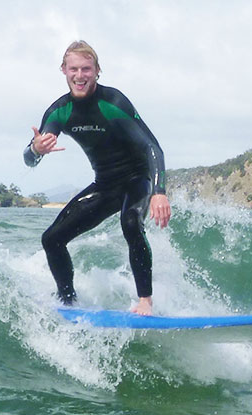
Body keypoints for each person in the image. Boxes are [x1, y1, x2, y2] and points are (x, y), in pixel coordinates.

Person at [23, 40, 171, 315]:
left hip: (136, 179)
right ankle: (67, 302)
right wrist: (36, 149)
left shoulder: (113, 102)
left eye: (86, 69)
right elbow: (30, 158)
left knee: (130, 222)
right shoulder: (60, 111)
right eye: (74, 69)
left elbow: (152, 146)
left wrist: (159, 190)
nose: (80, 76)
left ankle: (145, 302)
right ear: (64, 70)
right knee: (51, 239)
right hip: (105, 185)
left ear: (97, 70)